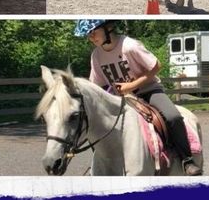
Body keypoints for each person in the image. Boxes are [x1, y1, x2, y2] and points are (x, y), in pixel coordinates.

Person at [74, 19, 202, 176]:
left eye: (93, 32)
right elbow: (97, 85)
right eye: (88, 35)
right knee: (97, 126)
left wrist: (131, 86)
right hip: (119, 98)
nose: (91, 37)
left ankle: (186, 160)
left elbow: (156, 66)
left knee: (173, 117)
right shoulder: (96, 56)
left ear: (108, 28)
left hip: (149, 92)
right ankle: (102, 164)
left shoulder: (130, 46)